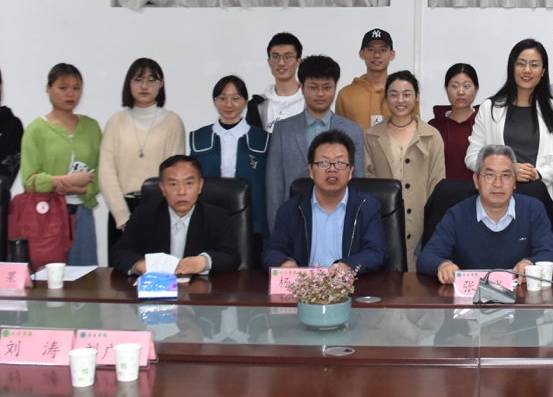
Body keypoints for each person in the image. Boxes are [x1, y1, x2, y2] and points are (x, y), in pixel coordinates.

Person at [465, 38, 553, 225]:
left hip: (540, 196)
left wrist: (537, 174)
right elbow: (472, 156)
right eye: (521, 63)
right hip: (497, 198)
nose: (527, 70)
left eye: (534, 65)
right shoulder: (490, 108)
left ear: (543, 71)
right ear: (512, 67)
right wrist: (509, 170)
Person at [418, 144, 553, 283]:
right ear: (476, 180)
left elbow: (549, 255)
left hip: (520, 295)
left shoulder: (533, 210)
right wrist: (443, 265)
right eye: (490, 175)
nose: (498, 184)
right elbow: (427, 257)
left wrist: (530, 263)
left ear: (514, 181)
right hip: (470, 295)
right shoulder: (457, 215)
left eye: (505, 175)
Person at [263, 129, 387, 273]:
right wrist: (285, 263)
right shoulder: (290, 210)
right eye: (323, 163)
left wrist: (347, 266)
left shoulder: (367, 208)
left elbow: (377, 252)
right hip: (305, 285)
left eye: (340, 163)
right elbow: (273, 251)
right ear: (311, 170)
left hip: (350, 284)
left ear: (351, 171)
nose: (332, 169)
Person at [265, 55, 365, 232]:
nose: (320, 94)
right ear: (302, 88)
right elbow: (274, 186)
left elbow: (358, 183)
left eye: (326, 87)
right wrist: (277, 232)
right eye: (313, 87)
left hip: (340, 222)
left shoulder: (353, 130)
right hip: (294, 221)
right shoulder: (283, 130)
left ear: (335, 88)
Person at [98, 58, 186, 246]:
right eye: (138, 79)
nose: (144, 86)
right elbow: (106, 172)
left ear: (161, 84)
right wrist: (122, 216)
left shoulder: (172, 122)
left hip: (159, 210)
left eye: (152, 80)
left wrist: (159, 214)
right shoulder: (116, 122)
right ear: (128, 83)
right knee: (122, 264)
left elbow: (174, 174)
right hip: (121, 210)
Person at [20, 63, 101, 266]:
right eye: (63, 88)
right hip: (47, 215)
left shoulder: (91, 127)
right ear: (48, 89)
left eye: (76, 88)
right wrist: (61, 182)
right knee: (48, 275)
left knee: (85, 276)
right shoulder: (36, 129)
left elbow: (102, 170)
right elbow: (29, 180)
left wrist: (84, 187)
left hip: (83, 213)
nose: (70, 94)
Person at [109, 155, 241, 276]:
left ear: (200, 186)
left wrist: (204, 261)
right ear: (162, 188)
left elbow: (231, 256)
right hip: (157, 290)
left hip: (200, 291)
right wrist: (141, 266)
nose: (181, 192)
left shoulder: (216, 217)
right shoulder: (144, 215)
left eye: (189, 183)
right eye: (173, 184)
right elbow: (119, 252)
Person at [364, 70, 446, 264]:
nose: (400, 100)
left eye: (407, 94)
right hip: (382, 220)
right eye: (393, 94)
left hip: (421, 221)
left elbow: (437, 183)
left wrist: (432, 223)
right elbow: (367, 182)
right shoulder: (371, 136)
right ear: (386, 97)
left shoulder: (431, 135)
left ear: (416, 97)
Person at [189, 75, 270, 248]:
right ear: (214, 101)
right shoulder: (199, 138)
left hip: (251, 222)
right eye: (222, 98)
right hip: (208, 220)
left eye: (235, 98)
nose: (229, 104)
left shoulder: (262, 139)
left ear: (245, 100)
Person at [336, 28, 417, 130]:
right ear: (362, 53)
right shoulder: (346, 94)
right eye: (371, 50)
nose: (377, 55)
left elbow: (416, 130)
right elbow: (338, 135)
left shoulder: (405, 93)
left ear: (392, 54)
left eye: (383, 50)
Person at [428, 63, 479, 181]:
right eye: (454, 86)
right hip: (442, 190)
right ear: (446, 89)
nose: (460, 92)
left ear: (476, 89)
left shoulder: (484, 124)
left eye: (466, 86)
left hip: (479, 190)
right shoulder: (434, 127)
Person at [246, 32, 304, 133]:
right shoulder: (257, 105)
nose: (281, 63)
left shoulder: (310, 101)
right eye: (276, 57)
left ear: (298, 62)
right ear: (269, 62)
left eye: (287, 57)